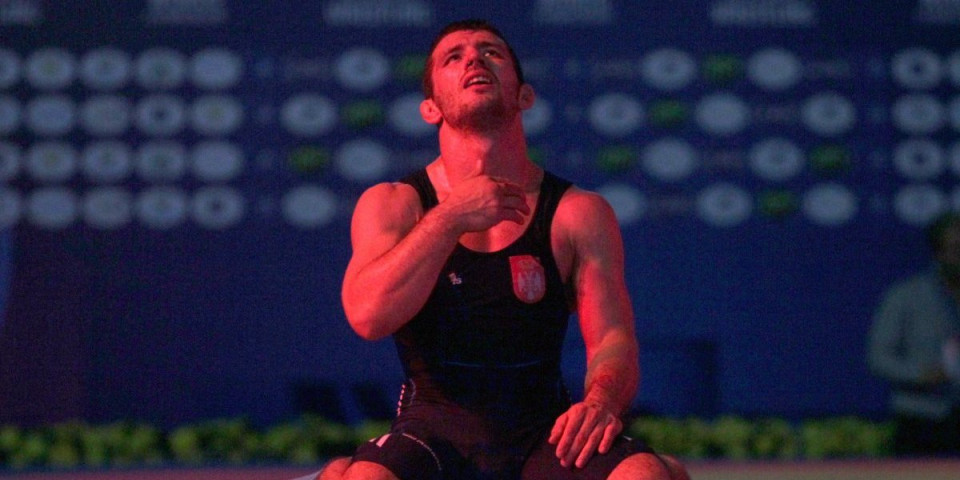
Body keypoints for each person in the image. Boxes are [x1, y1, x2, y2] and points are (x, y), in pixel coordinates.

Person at [313, 19, 689, 480]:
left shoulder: (577, 213)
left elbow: (612, 338)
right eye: (454, 57)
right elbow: (368, 316)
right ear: (430, 108)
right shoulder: (394, 203)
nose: (473, 59)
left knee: (648, 474)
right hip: (431, 435)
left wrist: (600, 403)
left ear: (524, 96)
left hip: (543, 433)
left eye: (491, 52)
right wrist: (451, 216)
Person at [867, 212, 960, 456]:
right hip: (920, 417)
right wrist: (920, 373)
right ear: (938, 252)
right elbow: (879, 357)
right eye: (956, 248)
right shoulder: (906, 296)